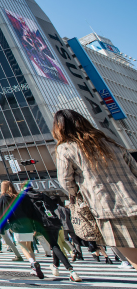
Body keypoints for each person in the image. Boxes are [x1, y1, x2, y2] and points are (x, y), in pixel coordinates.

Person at [53, 109, 137, 271]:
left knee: (134, 257)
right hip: (133, 198)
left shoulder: (66, 148)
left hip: (107, 207)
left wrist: (78, 194)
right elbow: (134, 170)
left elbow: (65, 182)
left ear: (59, 128)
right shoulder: (110, 142)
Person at [26, 188, 80, 280]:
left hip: (43, 224)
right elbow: (54, 206)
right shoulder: (42, 195)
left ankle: (71, 270)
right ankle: (55, 266)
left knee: (55, 246)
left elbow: (28, 213)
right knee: (55, 244)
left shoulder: (27, 198)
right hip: (55, 222)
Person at [0, 180, 49, 278]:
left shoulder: (4, 197)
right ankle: (33, 268)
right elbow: (31, 210)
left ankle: (33, 263)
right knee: (29, 247)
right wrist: (34, 225)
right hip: (28, 224)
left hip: (17, 224)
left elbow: (3, 213)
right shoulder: (22, 196)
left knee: (23, 247)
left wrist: (2, 227)